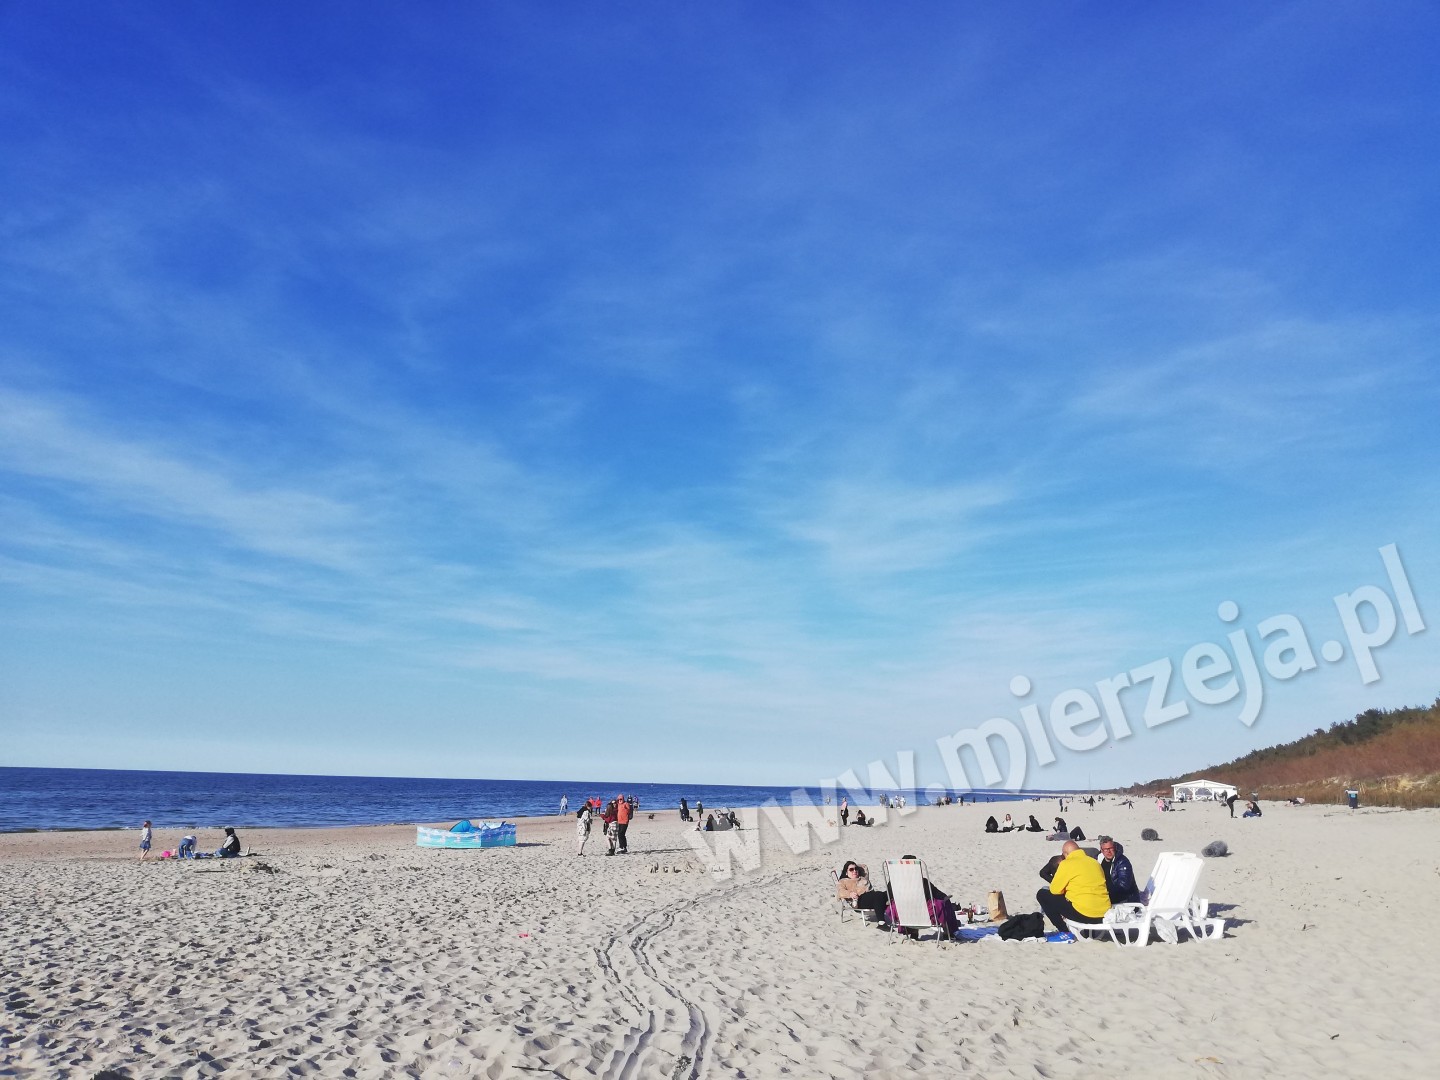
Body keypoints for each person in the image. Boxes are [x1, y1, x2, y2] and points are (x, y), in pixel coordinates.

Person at [1036, 840, 1110, 935]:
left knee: (1042, 894)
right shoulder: (1094, 862)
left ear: (1065, 854)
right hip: (1104, 914)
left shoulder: (1066, 863)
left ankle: (1063, 931)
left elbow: (1054, 890)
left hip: (1085, 915)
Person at [1098, 838, 1141, 905]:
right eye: (1106, 849)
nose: (1109, 852)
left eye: (1111, 848)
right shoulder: (1099, 860)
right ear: (1102, 850)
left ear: (1114, 848)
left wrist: (1105, 892)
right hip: (1107, 897)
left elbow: (1123, 885)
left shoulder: (1122, 862)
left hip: (1126, 900)